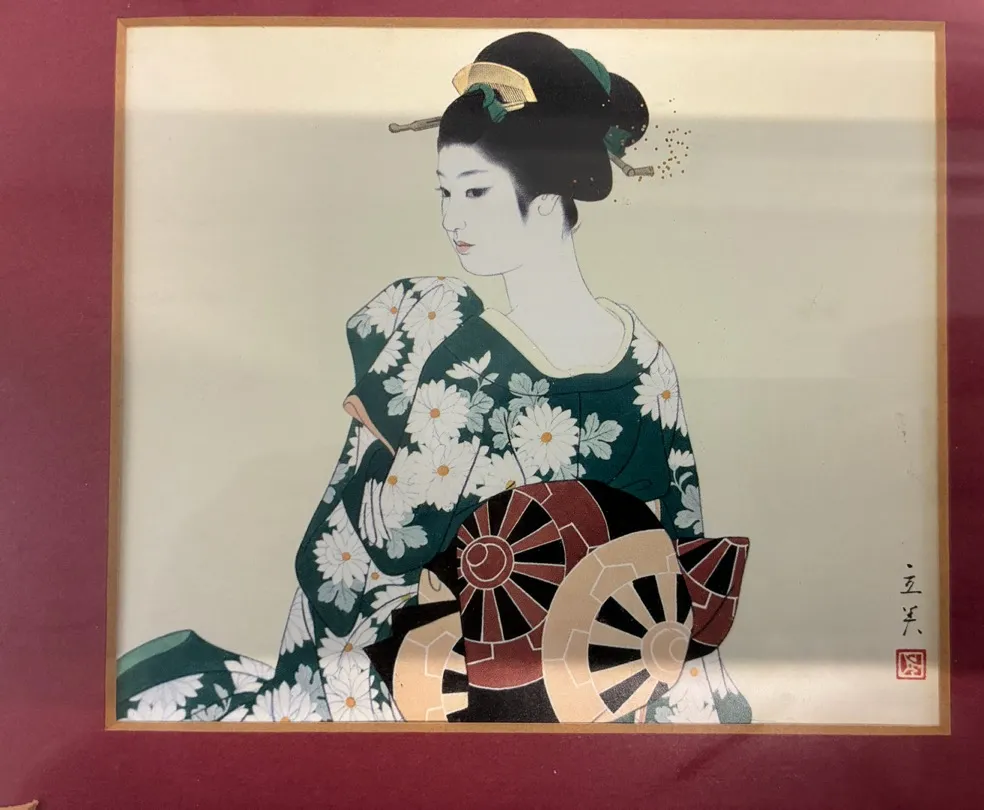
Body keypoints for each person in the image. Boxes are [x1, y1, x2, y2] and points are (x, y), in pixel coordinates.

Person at [116, 31, 751, 725]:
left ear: (546, 201)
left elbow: (396, 541)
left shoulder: (464, 354)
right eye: (445, 193)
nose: (453, 219)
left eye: (475, 191)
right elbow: (683, 529)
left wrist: (376, 446)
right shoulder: (648, 355)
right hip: (606, 668)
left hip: (458, 668)